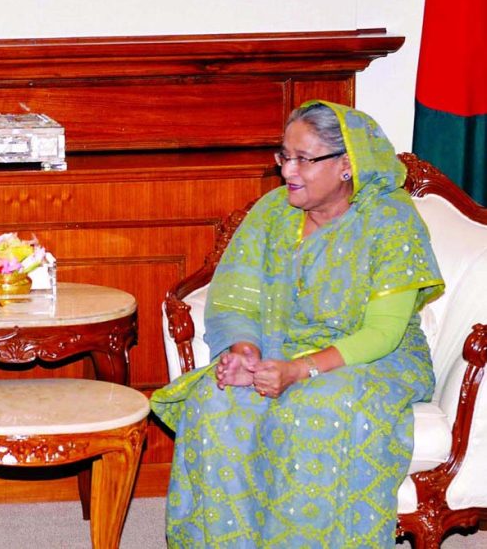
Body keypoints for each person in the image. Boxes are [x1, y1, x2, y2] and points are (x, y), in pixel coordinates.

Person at [151, 101, 443, 548]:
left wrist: (299, 370)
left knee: (313, 409)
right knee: (215, 400)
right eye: (283, 156)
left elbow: (382, 334)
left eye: (304, 159)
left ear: (347, 165)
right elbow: (235, 297)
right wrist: (244, 350)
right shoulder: (273, 213)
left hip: (370, 360)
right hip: (277, 347)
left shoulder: (390, 221)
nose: (288, 170)